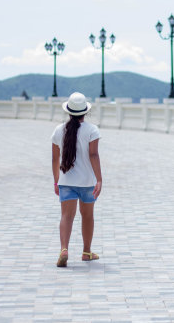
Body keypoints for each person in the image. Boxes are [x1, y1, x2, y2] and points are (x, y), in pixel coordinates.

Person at [51, 92, 102, 267]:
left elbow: (54, 158)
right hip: (87, 182)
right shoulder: (92, 130)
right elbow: (93, 155)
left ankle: (64, 249)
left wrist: (56, 181)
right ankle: (87, 252)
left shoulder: (59, 130)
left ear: (69, 111)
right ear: (85, 112)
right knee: (87, 216)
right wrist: (99, 179)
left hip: (66, 181)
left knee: (66, 216)